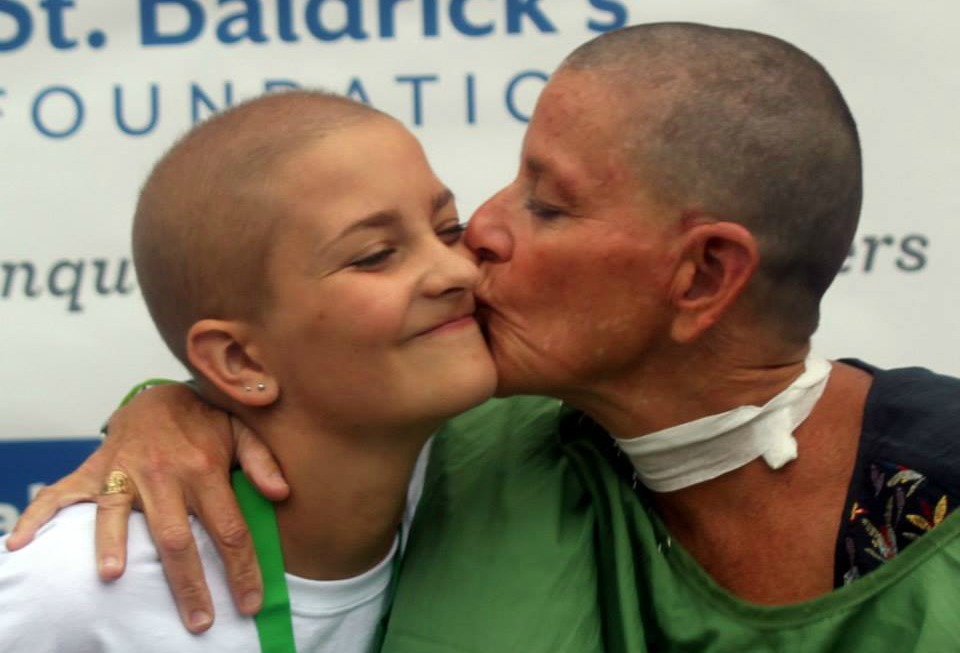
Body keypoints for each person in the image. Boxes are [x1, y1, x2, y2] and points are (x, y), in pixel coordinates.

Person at [10, 22, 960, 651]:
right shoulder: (475, 435)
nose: (481, 239)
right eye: (495, 192)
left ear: (706, 274)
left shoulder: (936, 501)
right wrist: (165, 407)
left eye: (546, 203)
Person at [0, 90, 498, 651]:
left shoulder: (517, 484)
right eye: (376, 255)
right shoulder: (78, 588)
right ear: (239, 361)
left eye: (448, 227)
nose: (456, 271)